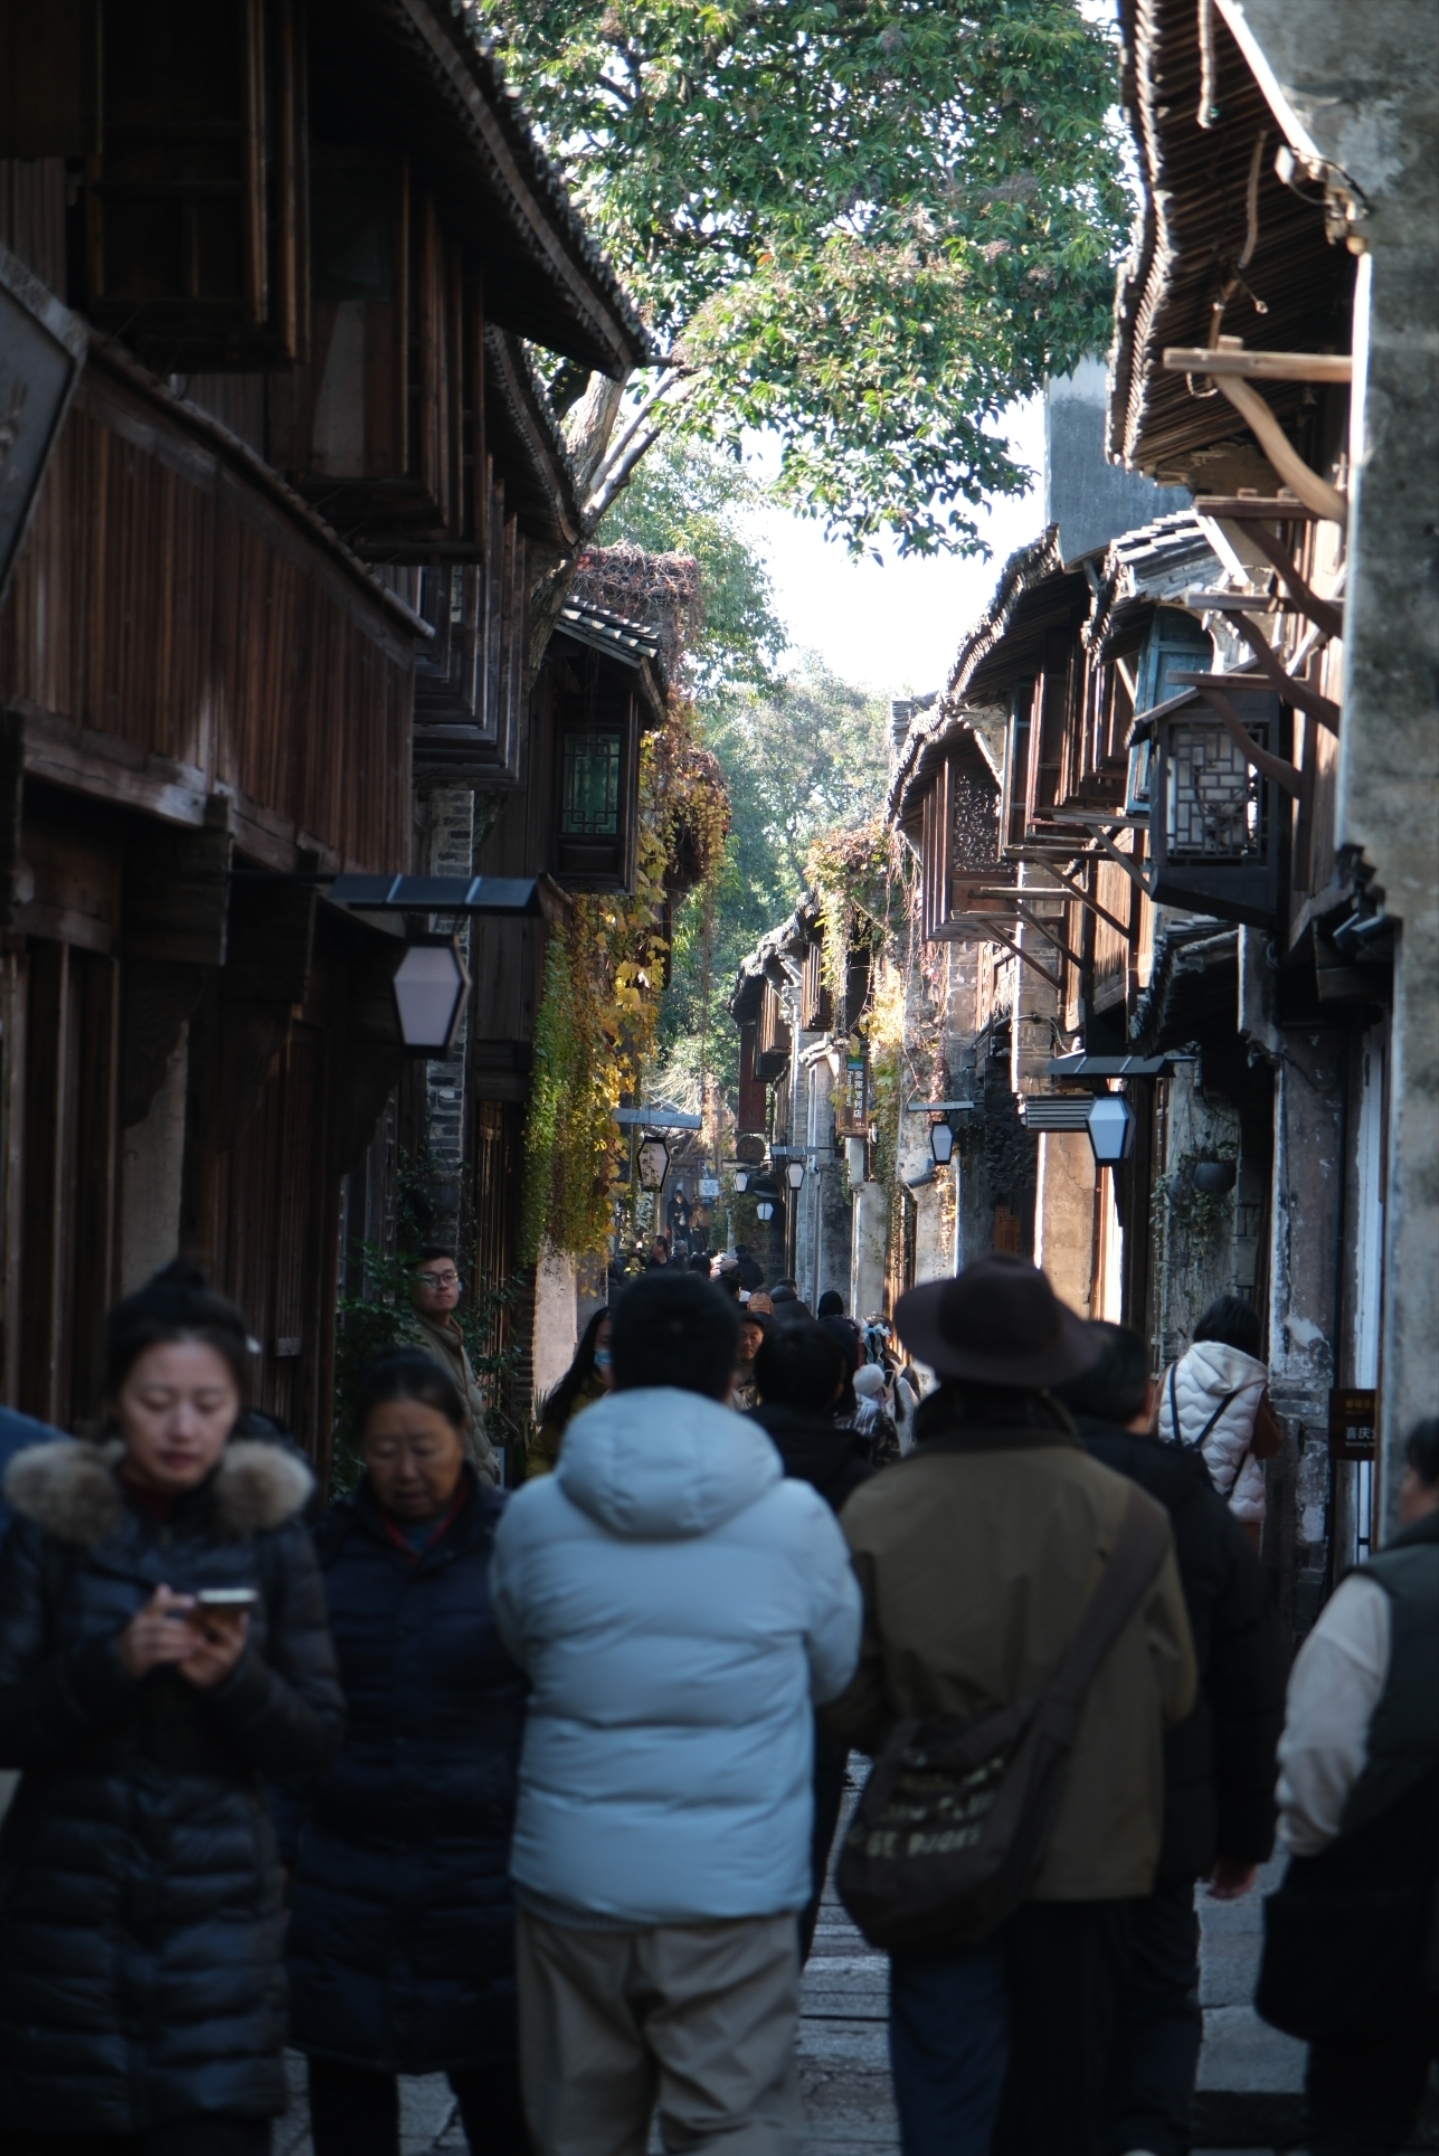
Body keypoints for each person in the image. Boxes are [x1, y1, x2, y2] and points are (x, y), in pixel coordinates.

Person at [823, 1256, 1196, 2156]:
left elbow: (845, 1695)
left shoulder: (880, 1512)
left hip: (941, 1839)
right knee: (1066, 2095)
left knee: (947, 2087)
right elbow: (1173, 1689)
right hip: (1089, 1848)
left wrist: (942, 1734)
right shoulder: (1129, 1513)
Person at [489, 1269, 862, 2156]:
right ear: (730, 1373)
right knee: (732, 2122)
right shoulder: (794, 1523)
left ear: (610, 1368)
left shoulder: (536, 1518)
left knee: (577, 2127)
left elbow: (518, 1651)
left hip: (575, 1877)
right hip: (734, 1882)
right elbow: (833, 1671)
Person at [0, 1260, 345, 2154]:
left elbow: (314, 1737)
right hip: (63, 1922)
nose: (184, 1427)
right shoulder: (52, 1524)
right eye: (158, 1401)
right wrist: (111, 1664)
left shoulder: (269, 1536)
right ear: (115, 1398)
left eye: (209, 1402)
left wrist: (235, 1678)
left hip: (216, 1928)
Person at [278, 1350, 528, 2156]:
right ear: (358, 1450)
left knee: (510, 2106)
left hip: (486, 1877)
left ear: (461, 1437)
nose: (408, 1469)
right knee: (347, 2104)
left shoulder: (517, 1550)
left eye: (425, 1446)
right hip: (345, 1877)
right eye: (386, 1450)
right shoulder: (324, 1558)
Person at [1054, 1321, 1287, 2156]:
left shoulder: (1008, 1490)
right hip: (1159, 1799)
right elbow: (1250, 1680)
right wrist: (1243, 1833)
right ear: (1143, 1397)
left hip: (1028, 1798)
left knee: (1042, 1984)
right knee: (1156, 1987)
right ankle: (1149, 2134)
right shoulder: (1187, 1501)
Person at [1258, 1416, 1439, 2155]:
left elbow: (1316, 1757)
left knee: (1356, 2122)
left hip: (1384, 1925)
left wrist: (1314, 1849)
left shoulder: (1380, 1598)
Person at [747, 1320, 873, 1962]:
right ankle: (777, 1989)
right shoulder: (858, 1485)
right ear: (836, 1390)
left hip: (724, 1692)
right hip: (818, 1706)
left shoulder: (722, 1465)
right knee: (800, 1865)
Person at [1158, 1294, 1282, 1546]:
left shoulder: (1172, 1374)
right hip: (1235, 1513)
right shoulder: (1254, 1384)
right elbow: (1269, 1445)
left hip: (1175, 1505)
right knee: (1234, 1583)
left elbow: (1150, 1433)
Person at [410, 1247, 500, 1486]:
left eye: (449, 1277)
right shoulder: (415, 1346)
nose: (442, 1285)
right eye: (429, 1279)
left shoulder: (452, 1338)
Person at [529, 1310, 613, 1477]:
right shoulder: (572, 1396)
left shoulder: (647, 1402)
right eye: (606, 1342)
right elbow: (541, 1454)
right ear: (593, 1346)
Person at [732, 1308, 769, 1412]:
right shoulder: (719, 1369)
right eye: (742, 1336)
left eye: (753, 1337)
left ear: (762, 1338)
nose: (747, 1342)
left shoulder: (769, 1371)